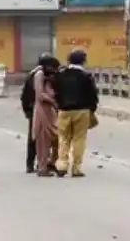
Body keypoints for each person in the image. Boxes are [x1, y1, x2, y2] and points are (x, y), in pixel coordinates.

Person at [51, 49, 99, 178]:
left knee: (63, 138)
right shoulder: (86, 76)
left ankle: (62, 164)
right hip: (82, 110)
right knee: (79, 139)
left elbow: (55, 92)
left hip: (64, 110)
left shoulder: (60, 75)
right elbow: (93, 95)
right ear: (83, 61)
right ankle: (76, 167)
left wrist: (58, 106)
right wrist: (92, 109)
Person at [21, 52, 53, 174]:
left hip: (32, 108)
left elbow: (23, 95)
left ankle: (35, 163)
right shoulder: (38, 75)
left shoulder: (33, 73)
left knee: (35, 136)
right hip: (37, 108)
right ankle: (38, 164)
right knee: (38, 137)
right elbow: (34, 94)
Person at [32, 56, 61, 177]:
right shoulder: (39, 75)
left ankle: (51, 163)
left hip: (49, 111)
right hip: (42, 111)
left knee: (57, 139)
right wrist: (53, 101)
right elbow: (40, 95)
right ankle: (42, 168)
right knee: (43, 141)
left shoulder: (47, 76)